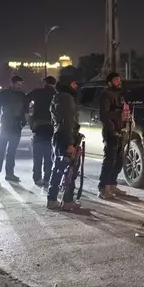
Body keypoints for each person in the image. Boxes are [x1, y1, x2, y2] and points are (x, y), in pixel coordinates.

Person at [47, 71, 81, 210]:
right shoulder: (66, 98)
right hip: (64, 137)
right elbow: (67, 122)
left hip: (60, 136)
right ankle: (66, 201)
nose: (76, 85)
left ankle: (54, 199)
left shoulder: (59, 96)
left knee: (59, 168)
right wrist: (70, 143)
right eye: (73, 83)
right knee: (68, 170)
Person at [0, 75, 28, 184]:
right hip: (6, 126)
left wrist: (23, 122)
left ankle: (8, 174)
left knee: (11, 152)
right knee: (1, 152)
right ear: (12, 83)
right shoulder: (5, 95)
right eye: (18, 84)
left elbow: (25, 111)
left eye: (20, 84)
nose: (19, 86)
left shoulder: (21, 95)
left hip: (14, 127)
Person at [98, 72, 128, 199]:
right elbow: (104, 115)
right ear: (109, 82)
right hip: (111, 132)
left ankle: (112, 184)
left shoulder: (120, 94)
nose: (118, 82)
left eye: (119, 79)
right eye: (116, 80)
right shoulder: (105, 94)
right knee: (110, 160)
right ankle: (103, 188)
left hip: (121, 130)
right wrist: (112, 129)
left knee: (119, 160)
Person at [27, 76, 56, 187]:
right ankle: (47, 178)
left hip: (38, 126)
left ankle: (37, 177)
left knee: (37, 155)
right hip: (51, 127)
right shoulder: (56, 94)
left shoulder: (37, 92)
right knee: (49, 155)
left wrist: (28, 114)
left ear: (44, 83)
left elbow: (26, 100)